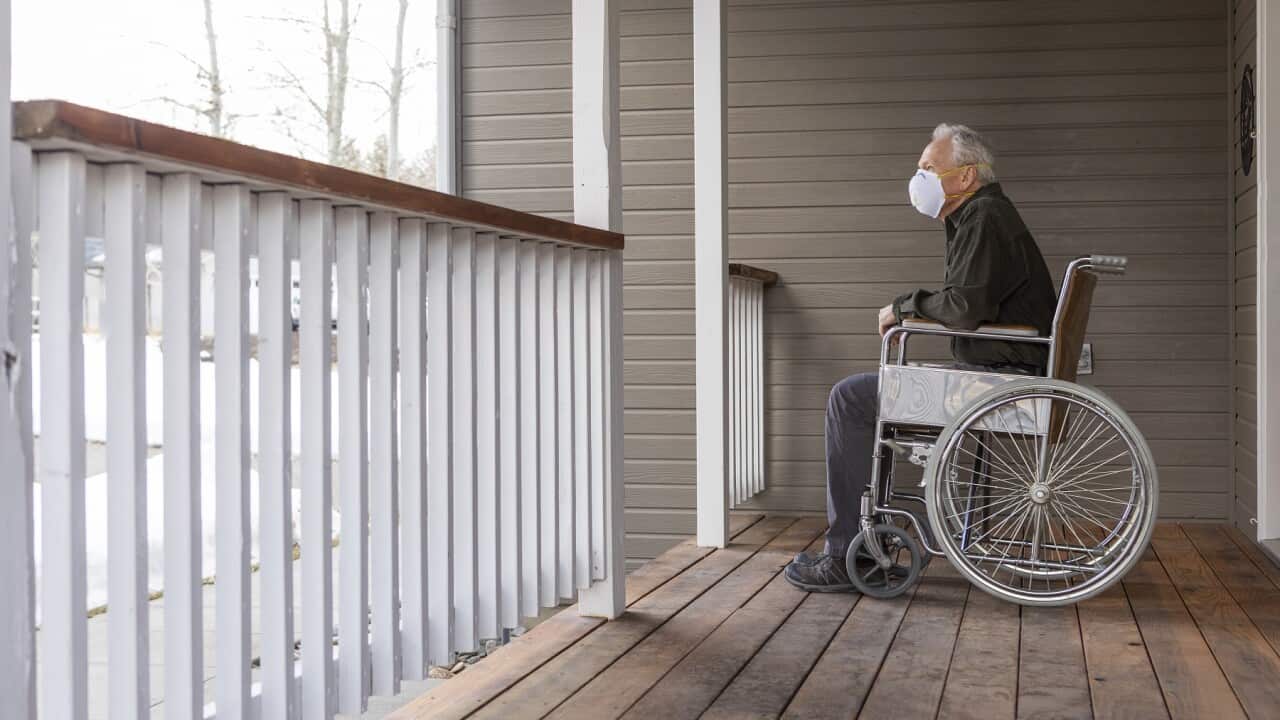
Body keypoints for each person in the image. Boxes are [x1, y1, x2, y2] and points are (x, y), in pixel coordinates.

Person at [784, 123, 1058, 593]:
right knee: (866, 394)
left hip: (999, 382)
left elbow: (964, 308)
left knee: (850, 399)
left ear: (966, 176)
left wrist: (902, 307)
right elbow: (969, 303)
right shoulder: (979, 216)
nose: (919, 178)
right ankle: (865, 545)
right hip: (1003, 371)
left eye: (929, 168)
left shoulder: (984, 217)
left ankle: (847, 556)